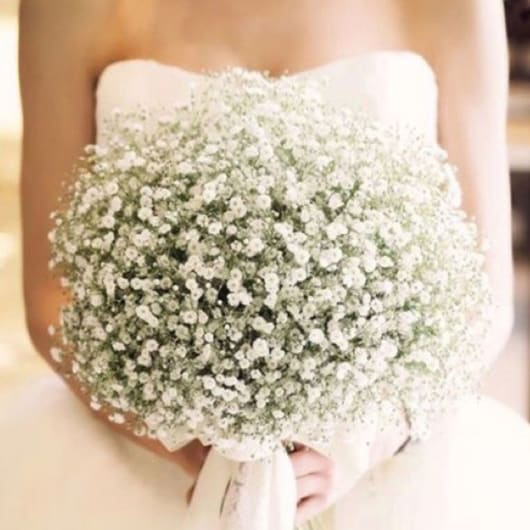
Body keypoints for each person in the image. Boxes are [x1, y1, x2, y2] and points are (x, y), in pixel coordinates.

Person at [1, 0, 529, 528]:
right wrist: (188, 445)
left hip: (388, 467)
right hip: (138, 465)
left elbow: (484, 298)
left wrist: (363, 445)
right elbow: (52, 297)